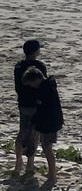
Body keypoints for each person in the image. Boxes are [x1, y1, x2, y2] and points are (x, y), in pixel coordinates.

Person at [22, 66, 63, 187]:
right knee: (46, 147)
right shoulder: (46, 86)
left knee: (47, 148)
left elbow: (45, 109)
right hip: (49, 121)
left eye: (31, 84)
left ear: (37, 80)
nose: (31, 87)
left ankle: (52, 176)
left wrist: (35, 122)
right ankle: (51, 174)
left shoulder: (45, 89)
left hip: (50, 123)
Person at [13, 39, 47, 177]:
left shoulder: (18, 66)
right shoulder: (39, 65)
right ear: (35, 52)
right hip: (35, 104)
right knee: (34, 134)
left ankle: (18, 161)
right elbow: (43, 86)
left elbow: (18, 86)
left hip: (23, 103)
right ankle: (30, 165)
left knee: (22, 132)